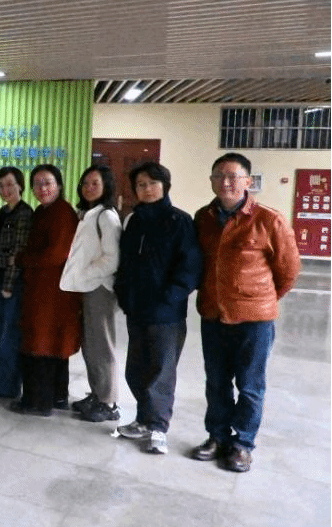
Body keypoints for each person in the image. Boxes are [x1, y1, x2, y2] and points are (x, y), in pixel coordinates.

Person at [190, 153, 300, 472]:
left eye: (233, 176)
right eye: (218, 176)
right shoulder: (203, 218)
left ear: (248, 182)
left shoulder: (269, 219)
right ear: (211, 181)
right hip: (213, 315)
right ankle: (218, 436)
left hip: (254, 320)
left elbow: (289, 270)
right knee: (217, 382)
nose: (225, 182)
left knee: (250, 386)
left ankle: (243, 444)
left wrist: (260, 299)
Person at [114, 161, 202, 454]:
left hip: (166, 313)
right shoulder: (134, 221)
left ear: (165, 186)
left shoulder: (180, 221)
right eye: (141, 185)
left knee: (161, 372)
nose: (147, 189)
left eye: (152, 183)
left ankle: (158, 428)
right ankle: (143, 419)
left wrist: (169, 296)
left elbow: (190, 267)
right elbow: (125, 262)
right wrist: (123, 294)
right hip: (137, 310)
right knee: (135, 369)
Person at [10, 164, 81, 416]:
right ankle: (57, 397)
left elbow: (57, 254)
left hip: (52, 292)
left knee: (43, 343)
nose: (42, 188)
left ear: (59, 185)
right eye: (37, 184)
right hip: (42, 289)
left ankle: (38, 402)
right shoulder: (43, 211)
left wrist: (22, 259)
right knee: (51, 344)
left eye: (48, 182)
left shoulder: (62, 213)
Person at [59, 165, 122, 422]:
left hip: (100, 288)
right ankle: (97, 394)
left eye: (95, 183)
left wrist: (84, 275)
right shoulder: (88, 214)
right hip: (87, 287)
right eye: (85, 183)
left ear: (106, 186)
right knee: (91, 346)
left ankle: (109, 403)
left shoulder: (106, 216)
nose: (89, 188)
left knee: (101, 347)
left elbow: (112, 259)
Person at [0, 166, 32, 399]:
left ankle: (8, 387)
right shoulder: (3, 212)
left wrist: (8, 285)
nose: (5, 190)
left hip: (13, 284)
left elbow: (19, 251)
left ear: (20, 186)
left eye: (10, 185)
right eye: (1, 186)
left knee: (8, 338)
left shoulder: (24, 213)